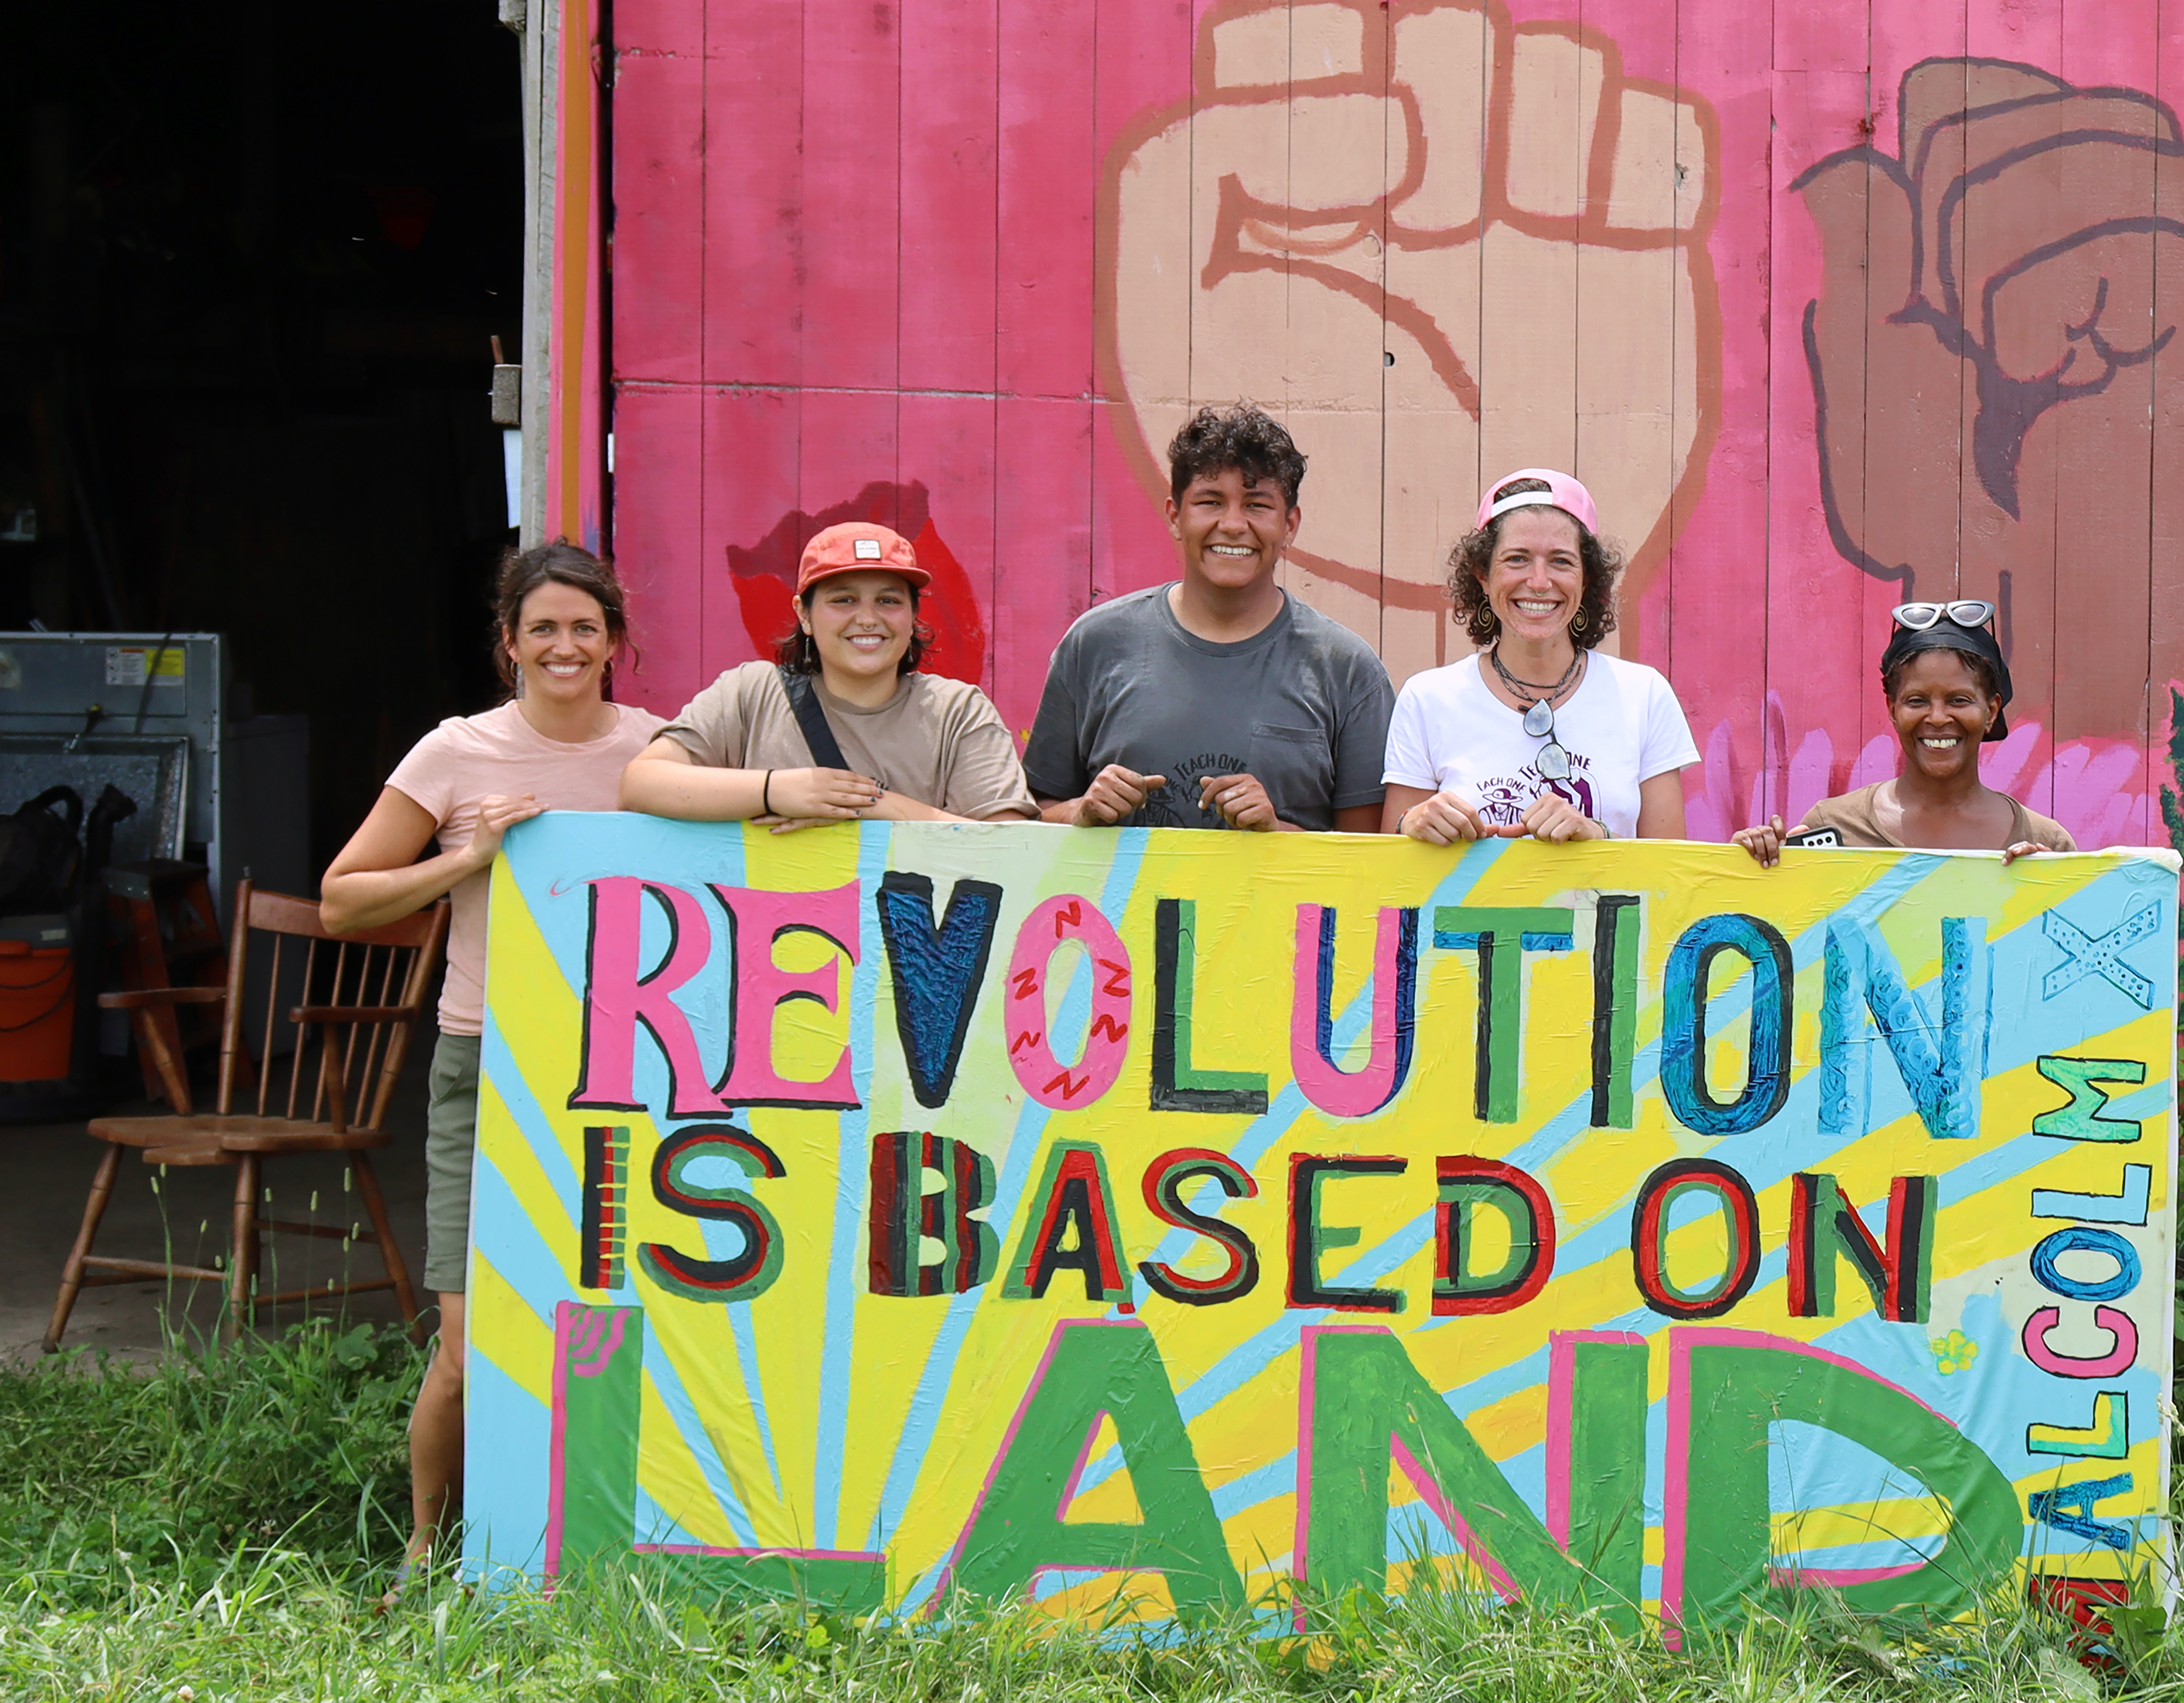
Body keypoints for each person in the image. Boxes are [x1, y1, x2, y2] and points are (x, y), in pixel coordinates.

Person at [318, 542, 667, 1582]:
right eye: (544, 627)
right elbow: (342, 899)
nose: (566, 646)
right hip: (490, 1060)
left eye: (586, 627)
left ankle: (608, 1538)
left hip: (631, 1070)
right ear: (509, 641)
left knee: (628, 1324)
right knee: (471, 1348)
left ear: (616, 643)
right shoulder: (455, 752)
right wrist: (468, 857)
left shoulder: (660, 750)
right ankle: (429, 1544)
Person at [1025, 403, 1392, 832]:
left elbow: (1371, 857)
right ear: (1176, 517)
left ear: (1289, 526)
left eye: (1257, 505)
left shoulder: (1347, 670)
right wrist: (1080, 811)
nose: (1233, 525)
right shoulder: (1095, 644)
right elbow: (1031, 819)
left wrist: (1278, 832)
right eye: (1210, 501)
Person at [619, 522, 1035, 826]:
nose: (868, 619)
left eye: (889, 601)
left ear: (913, 616)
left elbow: (1010, 846)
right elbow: (641, 784)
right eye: (844, 600)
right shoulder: (752, 693)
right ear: (804, 614)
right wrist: (777, 791)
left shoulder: (958, 712)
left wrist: (872, 806)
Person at [1382, 470, 1696, 843]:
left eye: (1561, 561)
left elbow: (1670, 873)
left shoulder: (1645, 696)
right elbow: (1394, 870)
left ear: (1587, 579)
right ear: (1483, 575)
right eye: (1517, 559)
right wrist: (1411, 823)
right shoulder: (1427, 699)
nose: (1539, 582)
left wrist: (1597, 838)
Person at [1733, 600, 2075, 864]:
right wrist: (1750, 870)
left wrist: (2044, 889)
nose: (1938, 718)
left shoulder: (2046, 843)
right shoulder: (1835, 827)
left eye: (1959, 700)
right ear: (1893, 710)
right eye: (1917, 701)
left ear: (1992, 711)